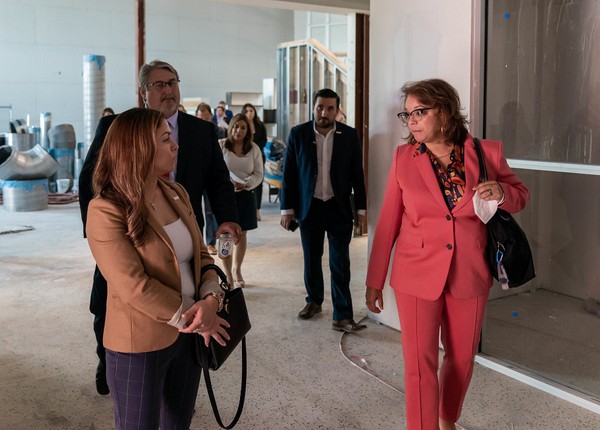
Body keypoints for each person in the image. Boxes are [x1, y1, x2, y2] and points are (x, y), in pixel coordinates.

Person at [365, 79, 530, 430]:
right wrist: (374, 280)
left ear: (445, 110)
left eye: (420, 112)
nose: (412, 121)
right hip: (415, 274)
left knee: (461, 359)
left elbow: (520, 195)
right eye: (407, 114)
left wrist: (501, 192)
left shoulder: (487, 153)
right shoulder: (403, 159)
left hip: (469, 273)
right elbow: (389, 222)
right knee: (419, 364)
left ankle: (447, 418)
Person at [78, 59, 240, 396]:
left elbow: (218, 181)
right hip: (129, 236)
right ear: (143, 92)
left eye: (172, 82)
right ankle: (108, 363)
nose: (168, 90)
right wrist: (104, 237)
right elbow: (88, 181)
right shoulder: (118, 126)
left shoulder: (201, 130)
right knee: (111, 304)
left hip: (183, 230)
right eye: (159, 84)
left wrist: (226, 218)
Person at [280, 88, 367, 333]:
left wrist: (361, 209)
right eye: (320, 107)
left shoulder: (349, 135)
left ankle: (342, 315)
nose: (324, 112)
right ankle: (314, 301)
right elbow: (289, 174)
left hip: (339, 208)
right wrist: (287, 209)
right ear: (313, 107)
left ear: (337, 110)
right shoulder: (298, 134)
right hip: (310, 207)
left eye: (330, 108)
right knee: (312, 258)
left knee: (340, 262)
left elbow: (356, 174)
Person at [219, 114, 264, 287]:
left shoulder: (253, 149)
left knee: (242, 234)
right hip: (225, 196)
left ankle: (237, 269)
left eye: (243, 127)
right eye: (236, 126)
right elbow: (215, 170)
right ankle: (228, 273)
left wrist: (245, 184)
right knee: (225, 235)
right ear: (231, 127)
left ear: (248, 130)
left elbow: (259, 174)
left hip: (245, 194)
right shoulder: (222, 145)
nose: (239, 130)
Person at [242, 103, 268, 221]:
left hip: (258, 156)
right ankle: (248, 208)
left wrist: (255, 148)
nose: (249, 113)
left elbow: (264, 139)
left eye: (251, 111)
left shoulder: (259, 125)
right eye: (247, 111)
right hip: (245, 158)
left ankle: (257, 209)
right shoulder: (242, 126)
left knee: (258, 183)